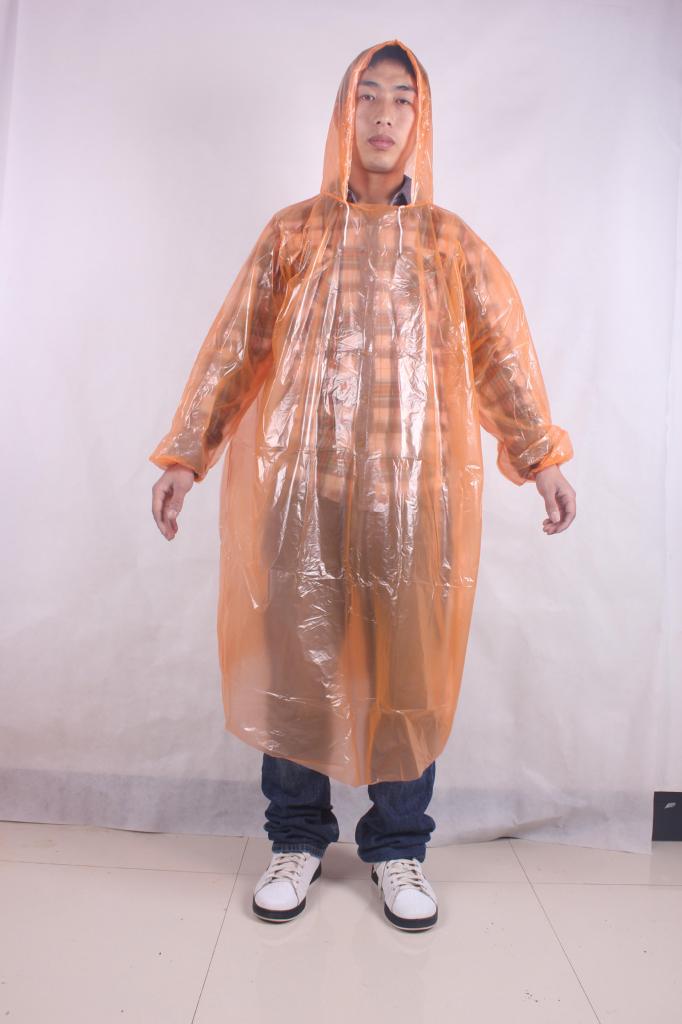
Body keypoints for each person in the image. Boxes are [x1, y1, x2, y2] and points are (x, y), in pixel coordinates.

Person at [149, 40, 576, 932]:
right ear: (344, 115)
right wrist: (188, 453)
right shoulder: (295, 233)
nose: (384, 115)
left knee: (408, 674)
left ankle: (398, 846)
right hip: (302, 495)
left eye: (401, 100)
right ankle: (296, 838)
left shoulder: (448, 242)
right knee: (297, 668)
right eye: (368, 97)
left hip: (415, 506)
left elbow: (499, 356)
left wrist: (541, 457)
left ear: (421, 121)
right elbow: (236, 349)